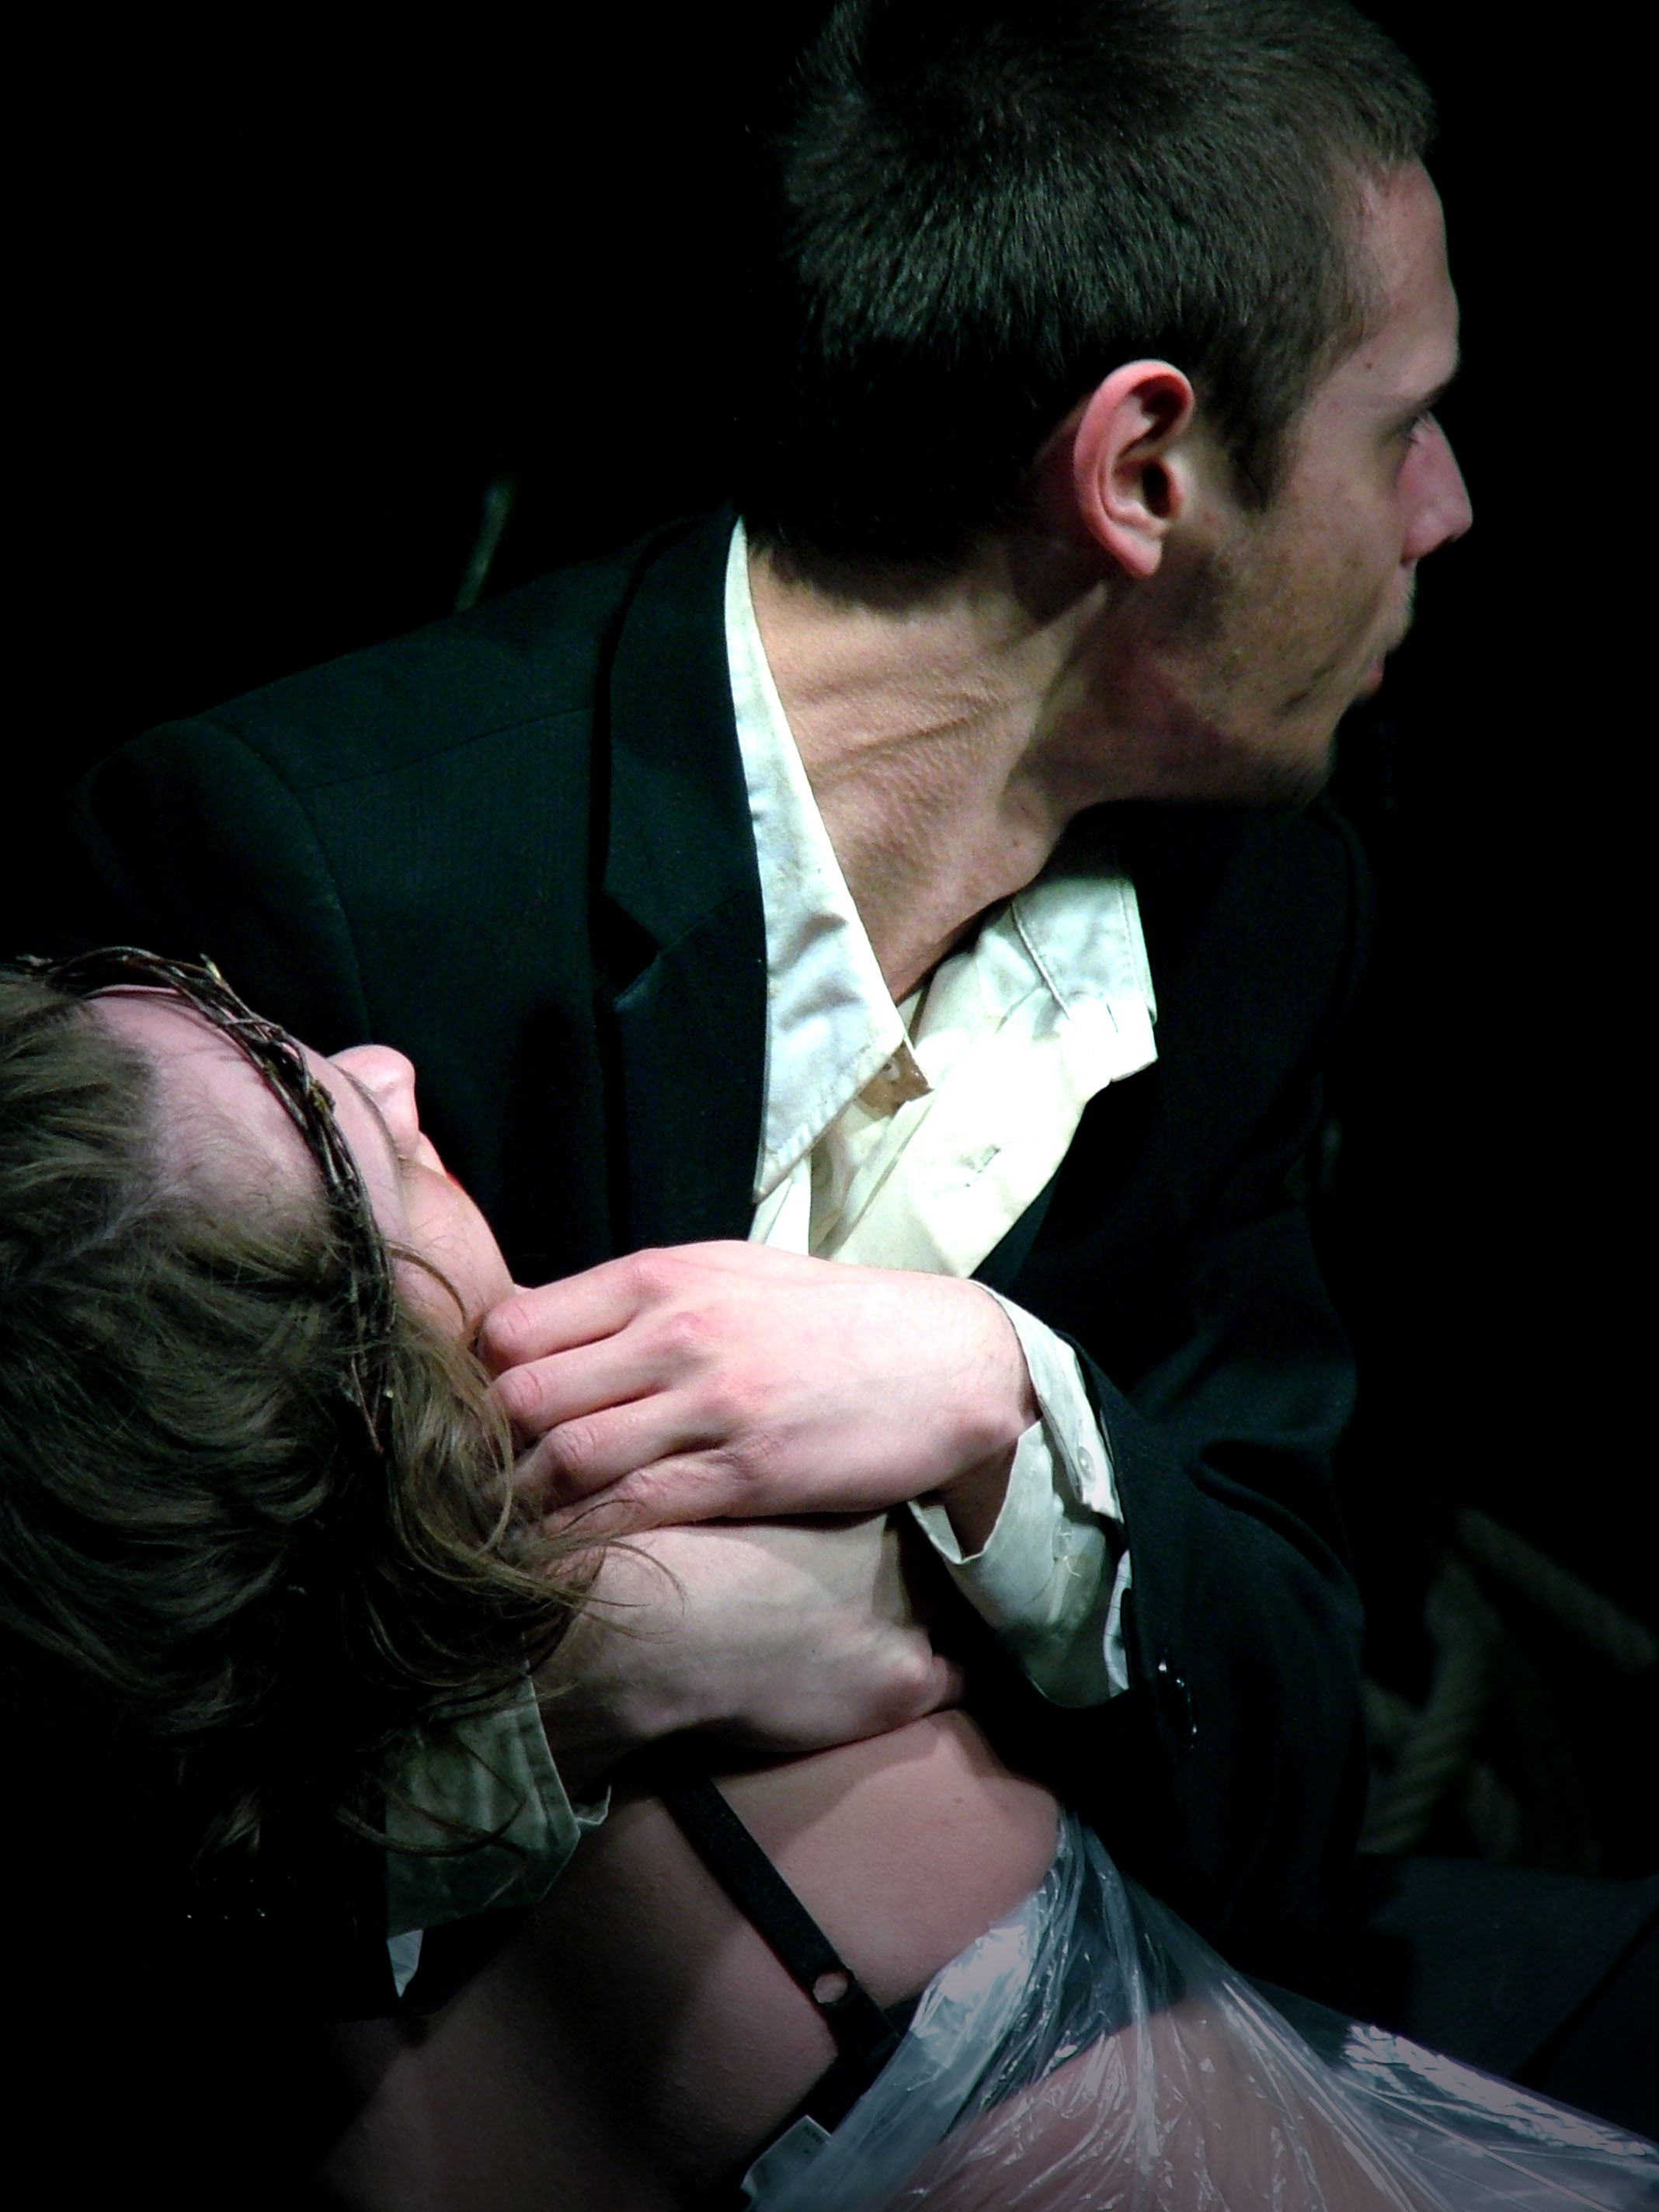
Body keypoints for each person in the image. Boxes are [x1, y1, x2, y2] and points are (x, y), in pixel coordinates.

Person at [44, 0, 1654, 2097]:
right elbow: (119, 1789)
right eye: (1399, 425)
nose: (1445, 505)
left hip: (1106, 1994)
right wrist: (580, 1689)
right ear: (1145, 472)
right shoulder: (317, 885)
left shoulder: (1264, 903)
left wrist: (1007, 1419)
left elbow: (1287, 1756)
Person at [5, 952, 1652, 2210]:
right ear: (342, 1403)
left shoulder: (193, 1896)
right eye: (353, 1137)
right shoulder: (782, 1710)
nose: (384, 1059)